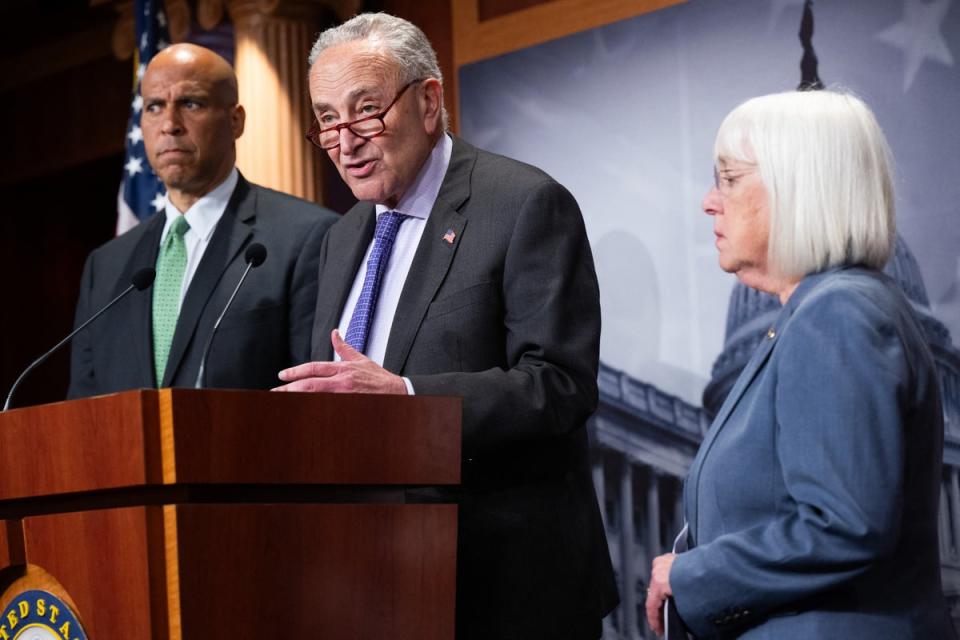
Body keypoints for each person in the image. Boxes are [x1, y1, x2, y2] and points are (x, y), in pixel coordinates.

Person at [274, 13, 618, 639]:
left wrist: (406, 398)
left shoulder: (522, 204)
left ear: (429, 102)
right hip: (375, 581)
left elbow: (560, 384)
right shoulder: (342, 234)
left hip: (504, 591)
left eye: (367, 111)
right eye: (327, 119)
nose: (345, 142)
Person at [645, 90, 956, 638]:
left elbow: (845, 525)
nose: (709, 201)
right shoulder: (814, 314)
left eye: (730, 179)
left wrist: (694, 574)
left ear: (798, 188)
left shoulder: (836, 314)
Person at [68, 44, 337, 397]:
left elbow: (315, 398)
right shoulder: (105, 267)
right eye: (154, 107)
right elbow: (84, 412)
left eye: (190, 103)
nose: (169, 125)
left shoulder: (305, 238)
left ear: (236, 121)